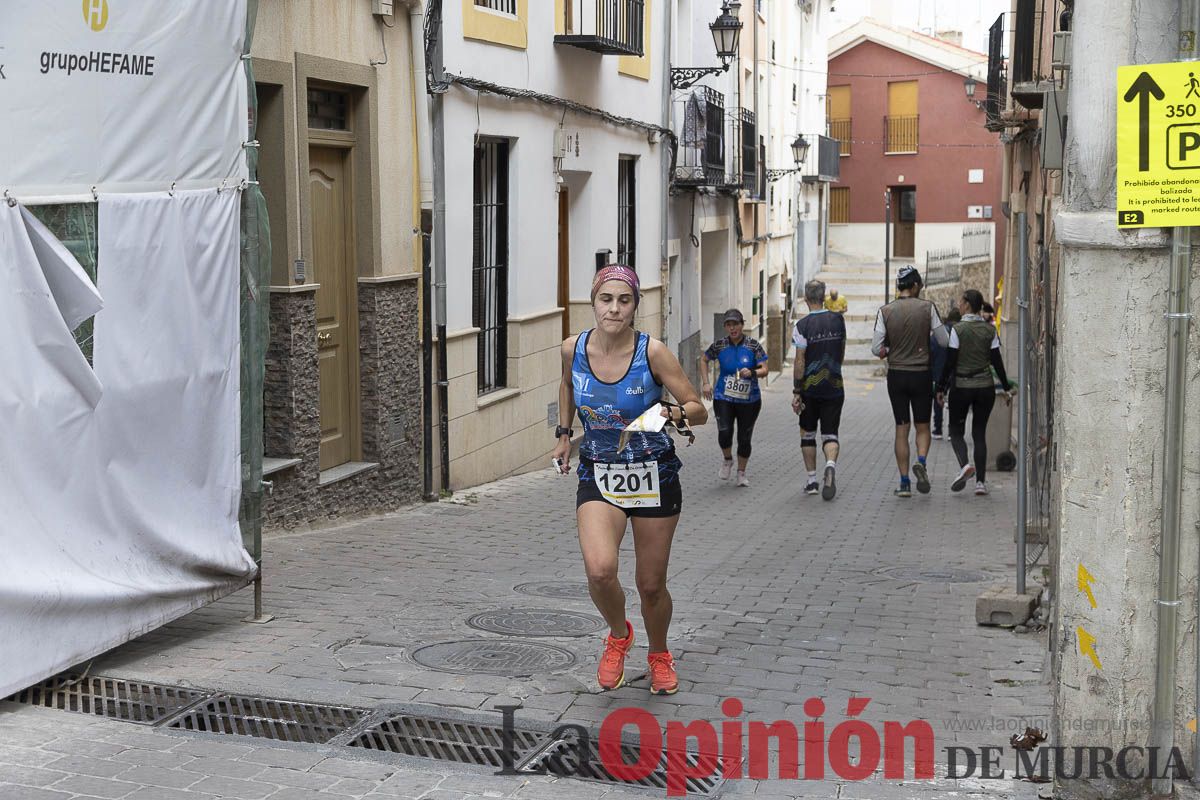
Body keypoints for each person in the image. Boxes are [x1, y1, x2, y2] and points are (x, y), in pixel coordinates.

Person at [553, 264, 708, 696]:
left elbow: (698, 407)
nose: (614, 308)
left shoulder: (652, 352)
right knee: (601, 571)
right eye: (607, 299)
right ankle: (619, 635)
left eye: (624, 300)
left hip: (653, 474)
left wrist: (670, 412)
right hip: (599, 472)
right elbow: (566, 386)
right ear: (593, 301)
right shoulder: (572, 348)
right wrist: (564, 435)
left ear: (635, 306)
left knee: (651, 585)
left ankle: (659, 654)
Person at [871, 265, 949, 497]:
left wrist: (889, 350)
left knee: (901, 429)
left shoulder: (885, 311)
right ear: (914, 285)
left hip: (896, 376)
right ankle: (922, 462)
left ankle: (904, 483)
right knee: (922, 427)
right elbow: (944, 341)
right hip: (921, 375)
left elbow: (876, 348)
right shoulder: (928, 308)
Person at [937, 289, 1012, 496]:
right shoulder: (989, 330)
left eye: (961, 302)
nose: (959, 306)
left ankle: (964, 466)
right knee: (979, 433)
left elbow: (950, 361)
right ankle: (980, 483)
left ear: (968, 304)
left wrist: (940, 388)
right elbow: (997, 362)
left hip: (961, 387)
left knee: (955, 431)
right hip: (985, 388)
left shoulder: (958, 330)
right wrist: (1006, 388)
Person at [700, 309, 768, 487]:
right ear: (725, 327)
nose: (733, 328)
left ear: (742, 325)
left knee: (744, 438)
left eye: (736, 324)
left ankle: (741, 473)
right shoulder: (720, 345)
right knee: (724, 432)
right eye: (729, 325)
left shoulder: (753, 346)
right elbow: (704, 359)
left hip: (750, 400)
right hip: (724, 397)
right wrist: (706, 383)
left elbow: (765, 369)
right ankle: (727, 459)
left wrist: (752, 372)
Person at [792, 280, 847, 500]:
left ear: (806, 299)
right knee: (830, 433)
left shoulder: (802, 326)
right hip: (834, 385)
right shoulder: (838, 320)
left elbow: (799, 360)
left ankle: (812, 480)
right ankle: (830, 465)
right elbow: (841, 350)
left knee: (807, 433)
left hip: (810, 389)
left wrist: (797, 391)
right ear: (824, 297)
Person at [929, 307, 962, 440]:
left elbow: (930, 353)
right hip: (954, 373)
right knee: (953, 401)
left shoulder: (937, 334)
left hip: (938, 372)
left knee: (938, 401)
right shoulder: (959, 332)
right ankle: (951, 431)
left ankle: (938, 429)